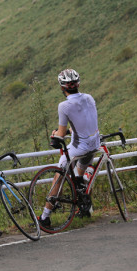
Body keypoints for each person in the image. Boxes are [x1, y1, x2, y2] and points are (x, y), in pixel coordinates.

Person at [38, 68, 99, 226]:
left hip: (79, 147)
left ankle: (45, 217)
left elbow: (61, 133)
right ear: (78, 84)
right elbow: (84, 123)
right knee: (80, 175)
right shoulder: (89, 98)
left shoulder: (64, 106)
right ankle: (85, 206)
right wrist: (71, 131)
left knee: (58, 176)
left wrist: (55, 134)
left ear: (62, 87)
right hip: (94, 144)